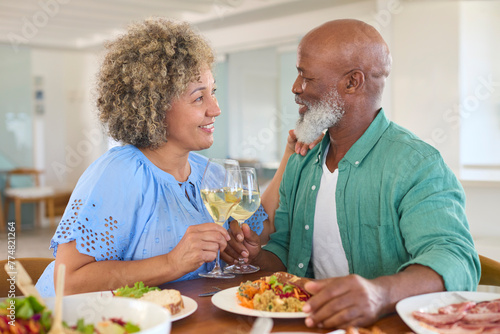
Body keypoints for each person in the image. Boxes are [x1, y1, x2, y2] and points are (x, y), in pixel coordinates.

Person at [222, 19, 480, 329]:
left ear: (352, 82)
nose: (295, 87)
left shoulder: (417, 164)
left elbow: (455, 259)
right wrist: (254, 257)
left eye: (306, 76)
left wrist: (378, 294)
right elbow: (286, 251)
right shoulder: (303, 160)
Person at [35, 18, 271, 297]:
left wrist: (243, 249)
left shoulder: (209, 171)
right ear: (155, 107)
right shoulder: (118, 174)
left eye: (214, 93)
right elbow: (69, 280)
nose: (215, 109)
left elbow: (262, 228)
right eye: (199, 98)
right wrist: (172, 263)